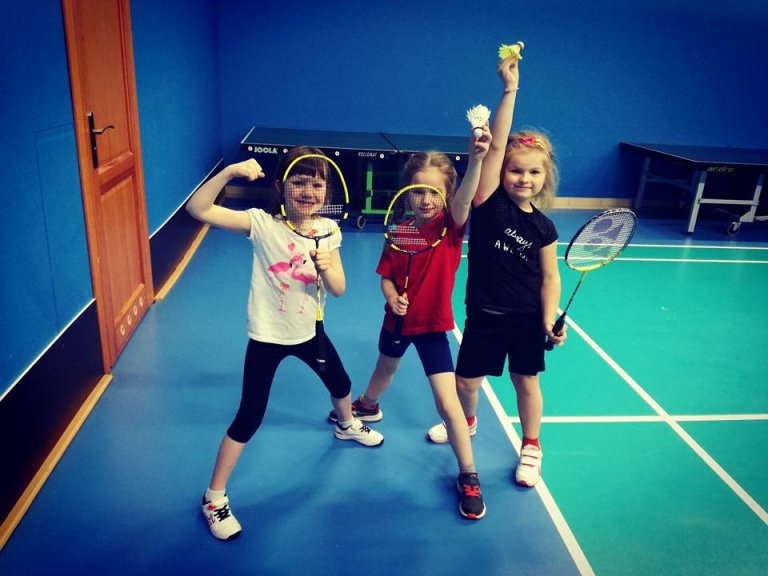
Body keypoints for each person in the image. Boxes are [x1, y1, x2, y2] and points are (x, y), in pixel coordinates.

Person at [186, 146, 384, 541]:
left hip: (310, 331)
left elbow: (340, 289)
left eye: (317, 184)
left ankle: (346, 424)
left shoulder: (328, 231)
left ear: (327, 192)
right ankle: (214, 496)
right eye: (299, 182)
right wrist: (230, 172)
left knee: (342, 384)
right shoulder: (261, 224)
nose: (308, 191)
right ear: (280, 187)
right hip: (268, 337)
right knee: (249, 416)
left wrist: (327, 269)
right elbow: (198, 209)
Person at [328, 128, 492, 519]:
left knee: (447, 402)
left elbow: (466, 196)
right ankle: (368, 405)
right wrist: (391, 296)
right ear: (407, 193)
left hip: (433, 327)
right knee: (384, 368)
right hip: (397, 322)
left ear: (448, 195)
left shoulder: (451, 228)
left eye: (435, 192)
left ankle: (468, 473)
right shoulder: (398, 232)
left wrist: (477, 159)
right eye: (419, 191)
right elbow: (386, 276)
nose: (426, 199)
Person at [425, 53, 567, 488]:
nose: (524, 178)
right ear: (503, 171)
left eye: (533, 172)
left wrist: (549, 316)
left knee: (526, 382)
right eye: (516, 170)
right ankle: (466, 422)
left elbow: (550, 277)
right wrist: (510, 89)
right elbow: (499, 143)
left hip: (525, 318)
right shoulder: (488, 204)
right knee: (466, 384)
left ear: (545, 177)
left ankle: (532, 446)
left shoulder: (544, 227)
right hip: (484, 315)